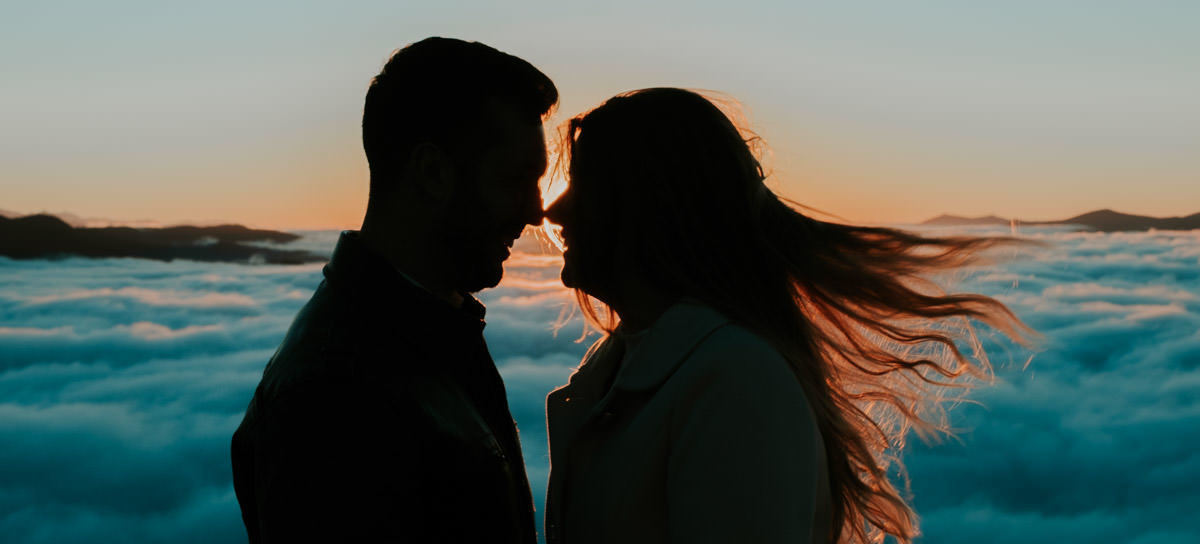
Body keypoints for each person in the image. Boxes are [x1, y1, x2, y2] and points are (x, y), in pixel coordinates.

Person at [542, 88, 1032, 544]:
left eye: (582, 185)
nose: (553, 211)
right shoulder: (641, 362)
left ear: (647, 205)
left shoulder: (734, 380)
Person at [231, 38, 556, 543]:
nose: (537, 212)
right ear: (432, 173)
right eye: (516, 180)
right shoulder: (333, 397)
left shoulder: (425, 331)